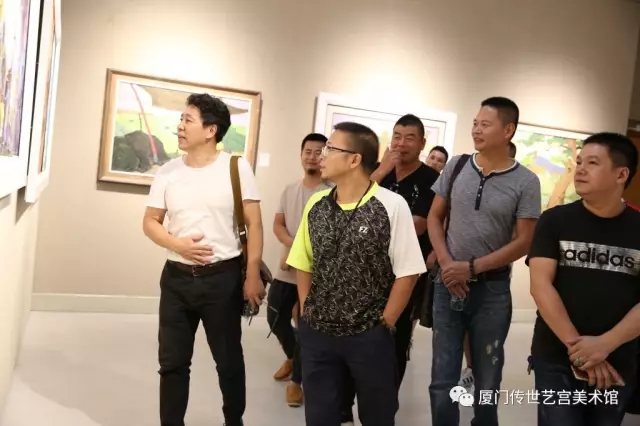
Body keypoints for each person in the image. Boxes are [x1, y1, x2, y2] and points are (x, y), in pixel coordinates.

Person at [287, 121, 427, 426]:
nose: (322, 155)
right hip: (318, 333)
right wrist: (307, 311)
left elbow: (408, 272)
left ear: (354, 159)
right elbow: (303, 262)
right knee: (320, 416)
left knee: (377, 415)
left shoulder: (391, 206)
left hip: (368, 335)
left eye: (330, 149)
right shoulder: (317, 204)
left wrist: (385, 324)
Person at [142, 93, 264, 426]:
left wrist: (252, 274)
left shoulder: (236, 168)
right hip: (176, 279)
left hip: (222, 280)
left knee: (228, 361)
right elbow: (150, 222)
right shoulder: (168, 172)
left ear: (211, 130)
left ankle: (233, 420)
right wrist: (177, 244)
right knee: (172, 363)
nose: (180, 126)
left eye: (188, 120)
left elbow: (254, 223)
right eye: (181, 119)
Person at [427, 96, 541, 426]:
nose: (476, 129)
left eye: (485, 124)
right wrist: (448, 265)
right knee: (442, 377)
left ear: (508, 130)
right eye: (475, 123)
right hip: (447, 286)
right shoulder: (457, 166)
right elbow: (434, 217)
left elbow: (525, 241)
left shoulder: (526, 182)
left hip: (492, 291)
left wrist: (472, 268)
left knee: (487, 376)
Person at [527, 132, 640, 426]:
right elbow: (540, 286)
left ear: (621, 174)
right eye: (579, 162)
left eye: (592, 162)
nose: (580, 169)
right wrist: (581, 351)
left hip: (618, 358)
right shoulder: (555, 220)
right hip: (556, 355)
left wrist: (605, 345)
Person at [269, 132, 331, 407]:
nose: (313, 157)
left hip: (315, 272)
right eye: (308, 151)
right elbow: (278, 224)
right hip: (286, 268)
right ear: (301, 155)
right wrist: (293, 248)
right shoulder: (290, 189)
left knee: (307, 326)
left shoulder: (331, 191)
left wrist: (298, 253)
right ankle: (293, 355)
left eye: (319, 152)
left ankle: (296, 382)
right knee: (274, 317)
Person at [459, 140, 518, 392]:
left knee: (491, 337)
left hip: (494, 278)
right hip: (459, 274)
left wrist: (483, 264)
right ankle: (471, 368)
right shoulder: (466, 180)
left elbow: (520, 239)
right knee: (464, 327)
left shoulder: (517, 189)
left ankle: (486, 385)